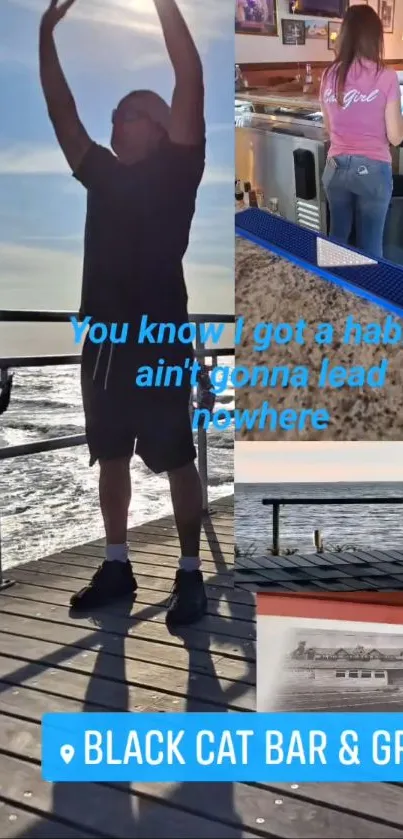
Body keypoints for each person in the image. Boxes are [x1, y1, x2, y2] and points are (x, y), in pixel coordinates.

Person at [39, 0, 207, 626]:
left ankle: (190, 575)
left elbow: (188, 74)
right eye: (113, 115)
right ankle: (118, 565)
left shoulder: (180, 165)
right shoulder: (103, 176)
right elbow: (62, 112)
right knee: (110, 454)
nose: (114, 122)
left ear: (161, 126)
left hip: (160, 337)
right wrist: (44, 35)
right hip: (106, 341)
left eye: (128, 114)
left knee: (179, 458)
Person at [320, 4, 403, 258]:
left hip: (335, 168)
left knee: (336, 241)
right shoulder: (386, 77)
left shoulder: (328, 75)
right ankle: (366, 298)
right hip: (373, 172)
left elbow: (329, 128)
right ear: (374, 37)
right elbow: (396, 137)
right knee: (370, 248)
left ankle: (331, 292)